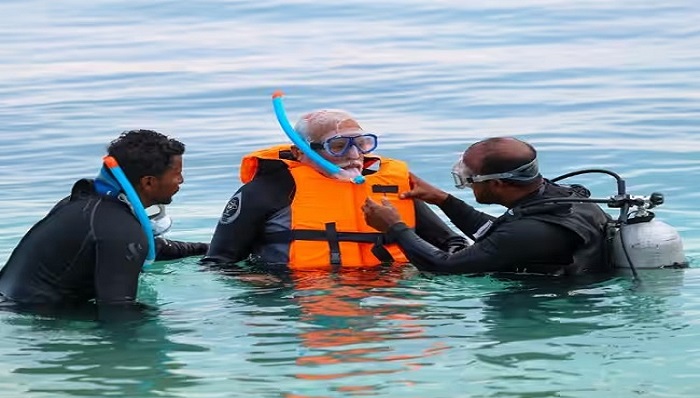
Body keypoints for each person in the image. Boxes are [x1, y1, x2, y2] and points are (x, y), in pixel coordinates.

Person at [203, 109, 467, 270]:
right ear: (300, 151)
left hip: (388, 294)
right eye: (338, 146)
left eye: (362, 144)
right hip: (296, 298)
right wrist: (263, 288)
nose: (355, 155)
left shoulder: (389, 188)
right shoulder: (266, 191)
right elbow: (218, 263)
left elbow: (453, 242)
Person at [0, 129, 208, 315]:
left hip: (10, 302)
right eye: (177, 174)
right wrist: (186, 319)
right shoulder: (121, 228)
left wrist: (205, 249)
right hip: (30, 318)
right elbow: (118, 312)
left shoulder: (88, 206)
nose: (181, 181)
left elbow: (138, 247)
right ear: (148, 182)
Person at [362, 136, 614, 276]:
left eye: (468, 180)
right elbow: (495, 234)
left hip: (549, 309)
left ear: (497, 184)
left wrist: (396, 228)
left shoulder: (528, 231)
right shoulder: (563, 199)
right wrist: (444, 200)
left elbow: (444, 267)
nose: (469, 186)